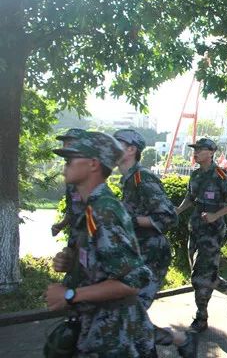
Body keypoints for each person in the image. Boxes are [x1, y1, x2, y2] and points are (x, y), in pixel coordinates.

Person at [45, 131, 157, 356]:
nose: (65, 165)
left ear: (93, 164)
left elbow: (131, 282)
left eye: (70, 159)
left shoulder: (103, 211)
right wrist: (72, 261)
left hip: (113, 338)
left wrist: (69, 295)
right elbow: (103, 263)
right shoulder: (91, 207)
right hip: (98, 329)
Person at [113, 129, 196, 356]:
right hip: (136, 255)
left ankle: (180, 340)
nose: (111, 146)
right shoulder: (128, 179)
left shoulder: (142, 178)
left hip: (152, 255)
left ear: (131, 150)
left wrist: (127, 219)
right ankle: (181, 341)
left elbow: (169, 217)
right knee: (130, 314)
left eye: (116, 142)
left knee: (132, 314)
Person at [176, 138, 227, 333]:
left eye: (199, 149)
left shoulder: (220, 175)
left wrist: (216, 215)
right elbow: (190, 197)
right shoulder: (196, 174)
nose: (195, 153)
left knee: (199, 276)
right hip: (195, 228)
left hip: (212, 233)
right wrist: (178, 210)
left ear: (211, 152)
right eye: (195, 149)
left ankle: (201, 317)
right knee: (203, 273)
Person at [50, 128, 87, 243]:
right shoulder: (71, 176)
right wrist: (60, 225)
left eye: (70, 143)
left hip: (90, 241)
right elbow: (72, 209)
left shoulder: (89, 172)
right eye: (64, 144)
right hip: (75, 238)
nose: (65, 147)